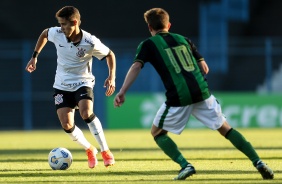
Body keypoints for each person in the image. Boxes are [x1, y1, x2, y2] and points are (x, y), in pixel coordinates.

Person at [114, 8, 274, 180]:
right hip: (202, 92)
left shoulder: (148, 44)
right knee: (225, 128)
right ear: (168, 25)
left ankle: (186, 165)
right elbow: (204, 67)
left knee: (157, 133)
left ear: (149, 27)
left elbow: (136, 66)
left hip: (178, 96)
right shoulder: (184, 40)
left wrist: (122, 91)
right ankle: (258, 161)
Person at [25, 6, 115, 169]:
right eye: (59, 24)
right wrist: (34, 57)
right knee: (67, 124)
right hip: (61, 85)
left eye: (63, 24)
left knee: (86, 113)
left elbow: (109, 54)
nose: (60, 28)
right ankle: (89, 149)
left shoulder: (90, 41)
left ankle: (105, 151)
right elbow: (45, 33)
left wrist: (112, 77)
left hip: (83, 82)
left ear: (74, 22)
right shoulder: (57, 33)